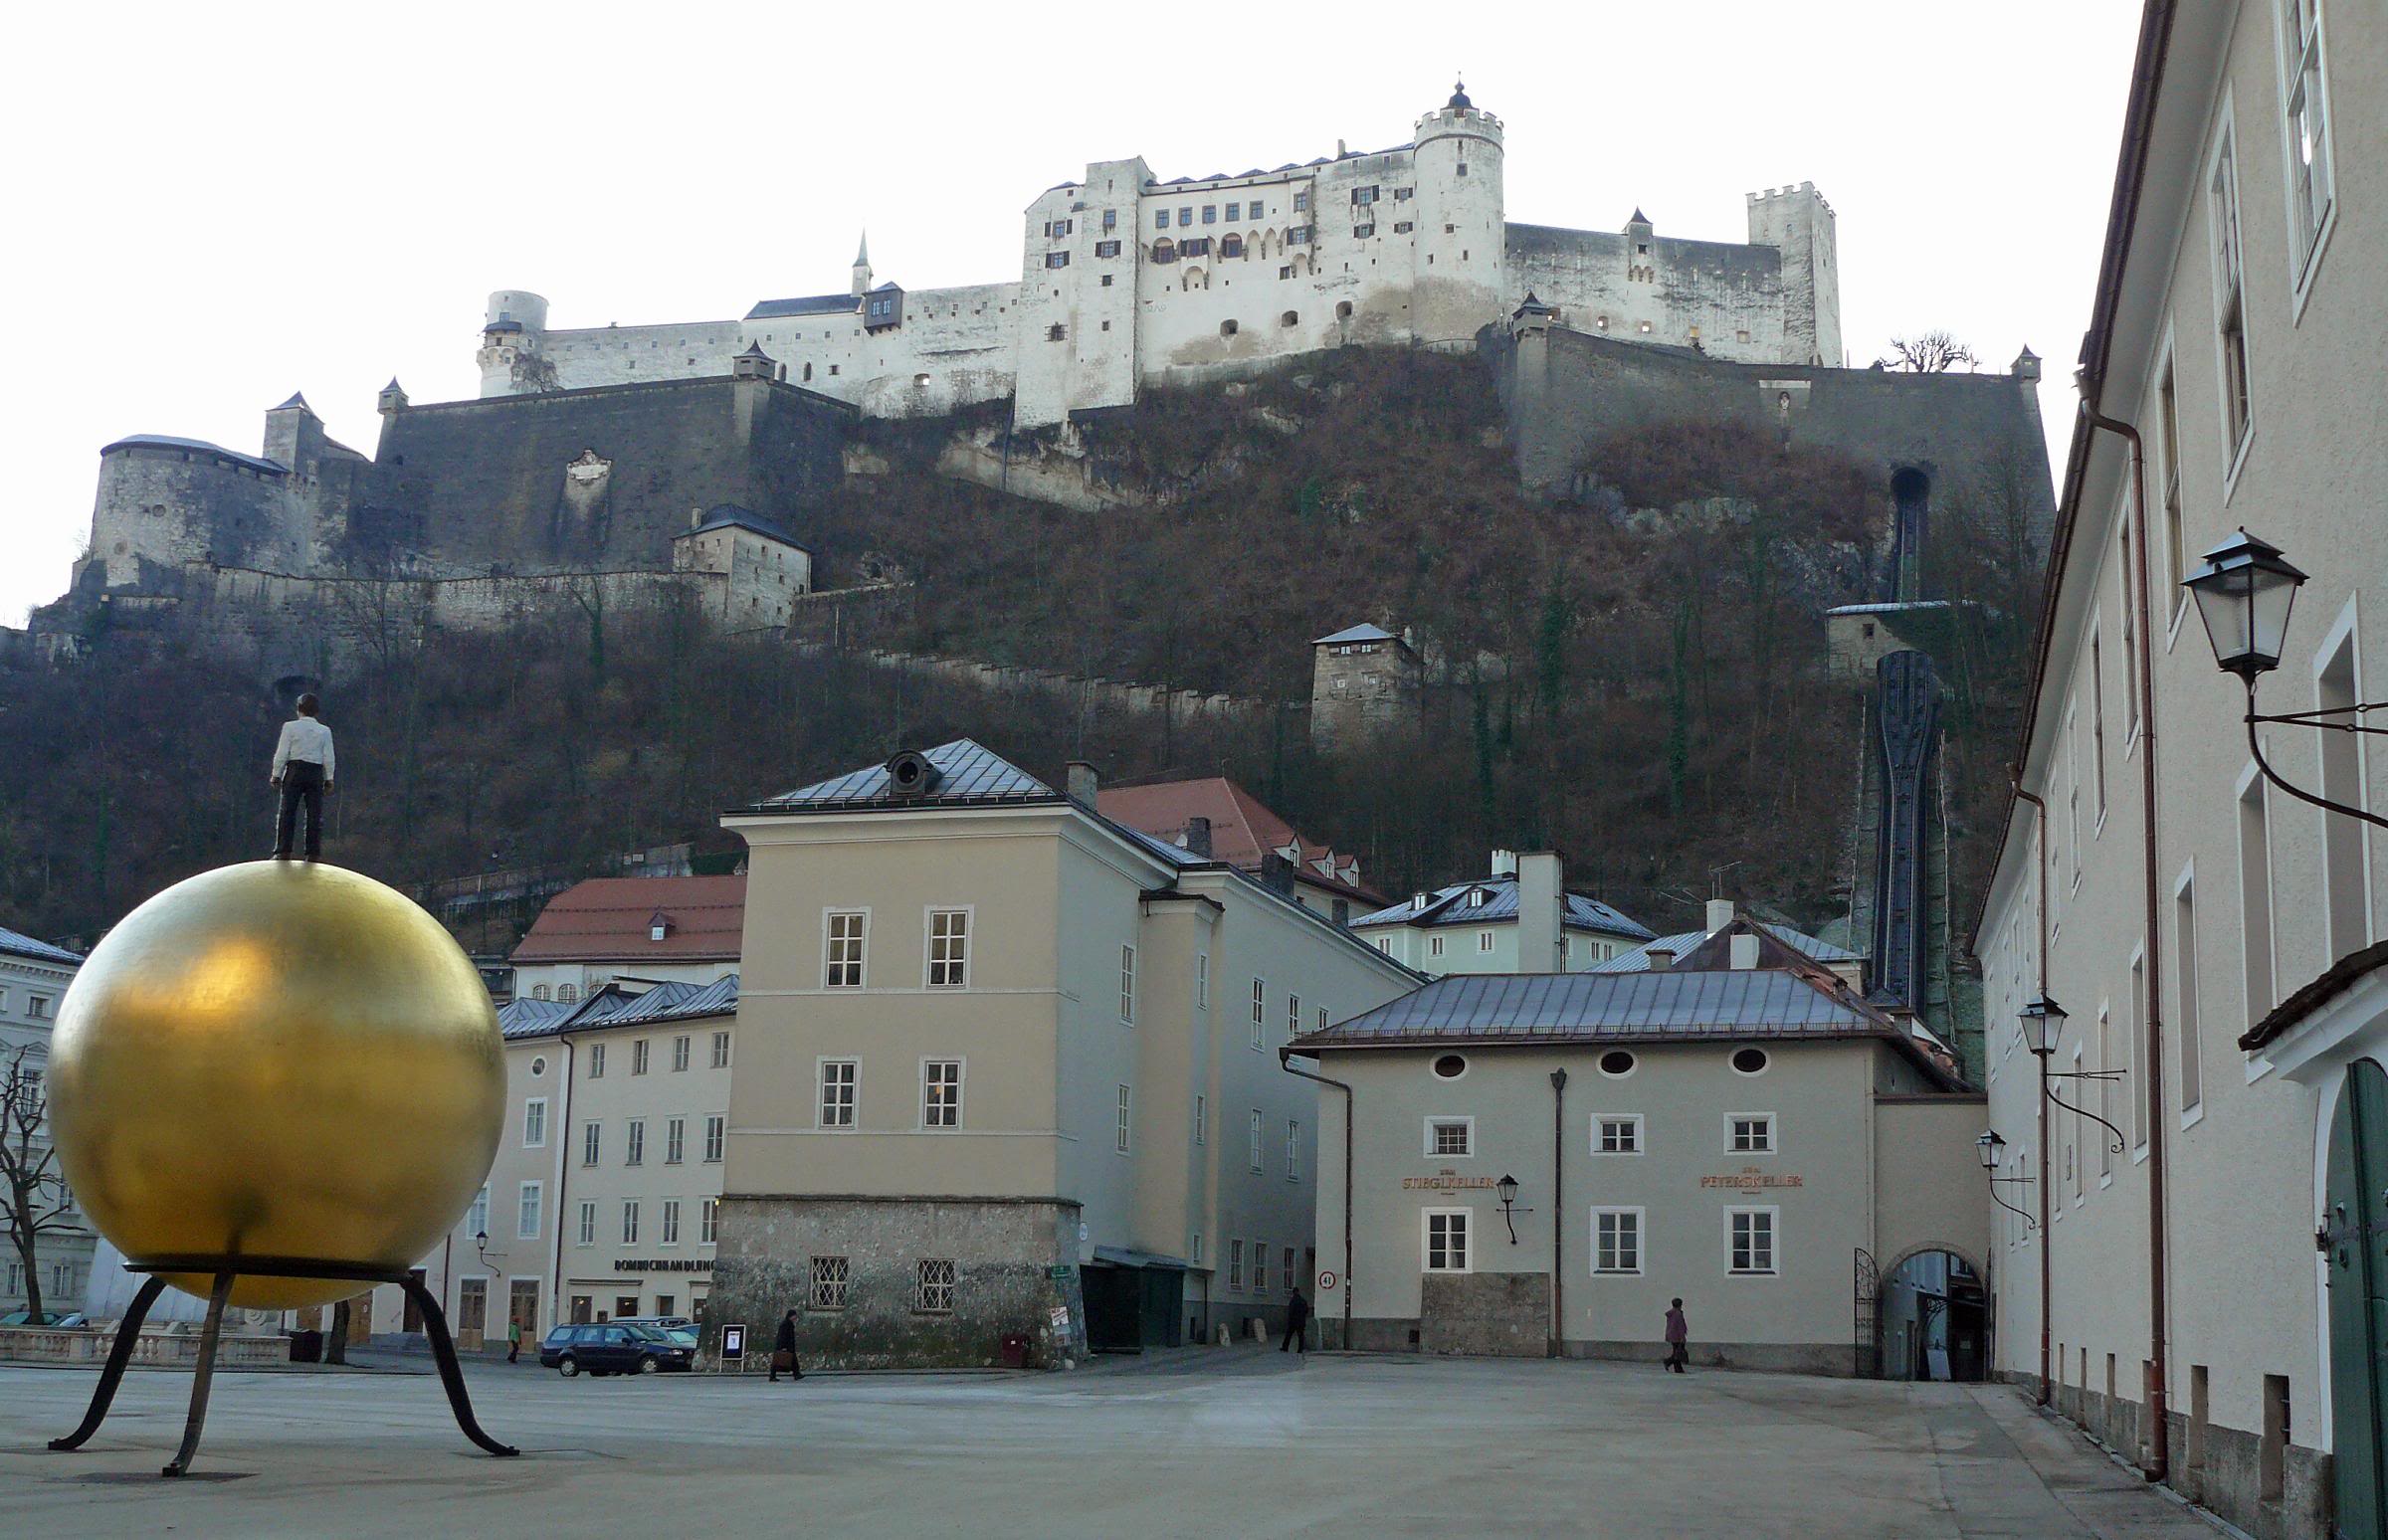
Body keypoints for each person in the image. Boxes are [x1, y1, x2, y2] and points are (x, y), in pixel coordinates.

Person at [271, 693, 336, 861]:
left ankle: (283, 850)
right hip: (315, 772)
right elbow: (329, 757)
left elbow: (282, 753)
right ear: (317, 711)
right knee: (314, 814)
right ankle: (312, 853)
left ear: (298, 709)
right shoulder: (324, 731)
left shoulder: (290, 727)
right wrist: (329, 778)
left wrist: (276, 774)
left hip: (294, 770)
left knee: (287, 811)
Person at [770, 1308, 803, 1382]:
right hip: (785, 1346)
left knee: (793, 1361)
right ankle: (772, 1376)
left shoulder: (788, 1324)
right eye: (794, 1316)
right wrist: (783, 1347)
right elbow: (783, 1336)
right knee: (777, 1361)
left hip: (788, 1346)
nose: (795, 1318)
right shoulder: (786, 1324)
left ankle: (797, 1374)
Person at [1280, 1287, 1311, 1353]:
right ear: (1298, 1292)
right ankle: (1300, 1349)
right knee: (1300, 1336)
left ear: (1293, 1292)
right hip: (1301, 1321)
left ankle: (1285, 1347)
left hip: (1293, 1322)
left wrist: (1289, 1320)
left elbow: (1291, 1311)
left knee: (1288, 1335)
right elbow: (1306, 1310)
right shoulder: (1303, 1300)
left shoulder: (1293, 1300)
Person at [1664, 1298, 1690, 1373]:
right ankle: (1668, 1362)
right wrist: (1683, 1337)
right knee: (1678, 1352)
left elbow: (1670, 1325)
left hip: (1671, 1335)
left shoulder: (1671, 1314)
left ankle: (1678, 1368)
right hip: (1677, 1336)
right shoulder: (1678, 1314)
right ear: (1680, 1305)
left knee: (1676, 1352)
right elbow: (1680, 1326)